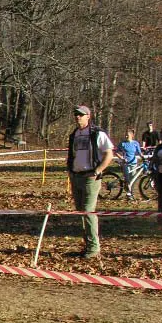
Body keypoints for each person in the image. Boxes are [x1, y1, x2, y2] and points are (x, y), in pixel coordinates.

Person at [65, 105, 114, 259]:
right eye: (76, 114)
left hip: (91, 178)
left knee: (88, 211)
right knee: (81, 212)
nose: (77, 117)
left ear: (88, 116)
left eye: (80, 115)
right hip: (76, 176)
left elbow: (109, 154)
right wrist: (71, 172)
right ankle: (87, 246)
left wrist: (97, 171)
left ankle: (94, 248)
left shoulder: (97, 133)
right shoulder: (74, 134)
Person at [115, 129, 143, 201]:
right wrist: (122, 158)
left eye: (128, 135)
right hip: (126, 164)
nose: (126, 136)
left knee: (132, 179)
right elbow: (116, 152)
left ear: (132, 135)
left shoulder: (135, 143)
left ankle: (130, 192)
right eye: (126, 135)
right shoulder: (122, 143)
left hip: (134, 163)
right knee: (127, 180)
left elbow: (139, 153)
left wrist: (144, 158)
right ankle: (129, 194)